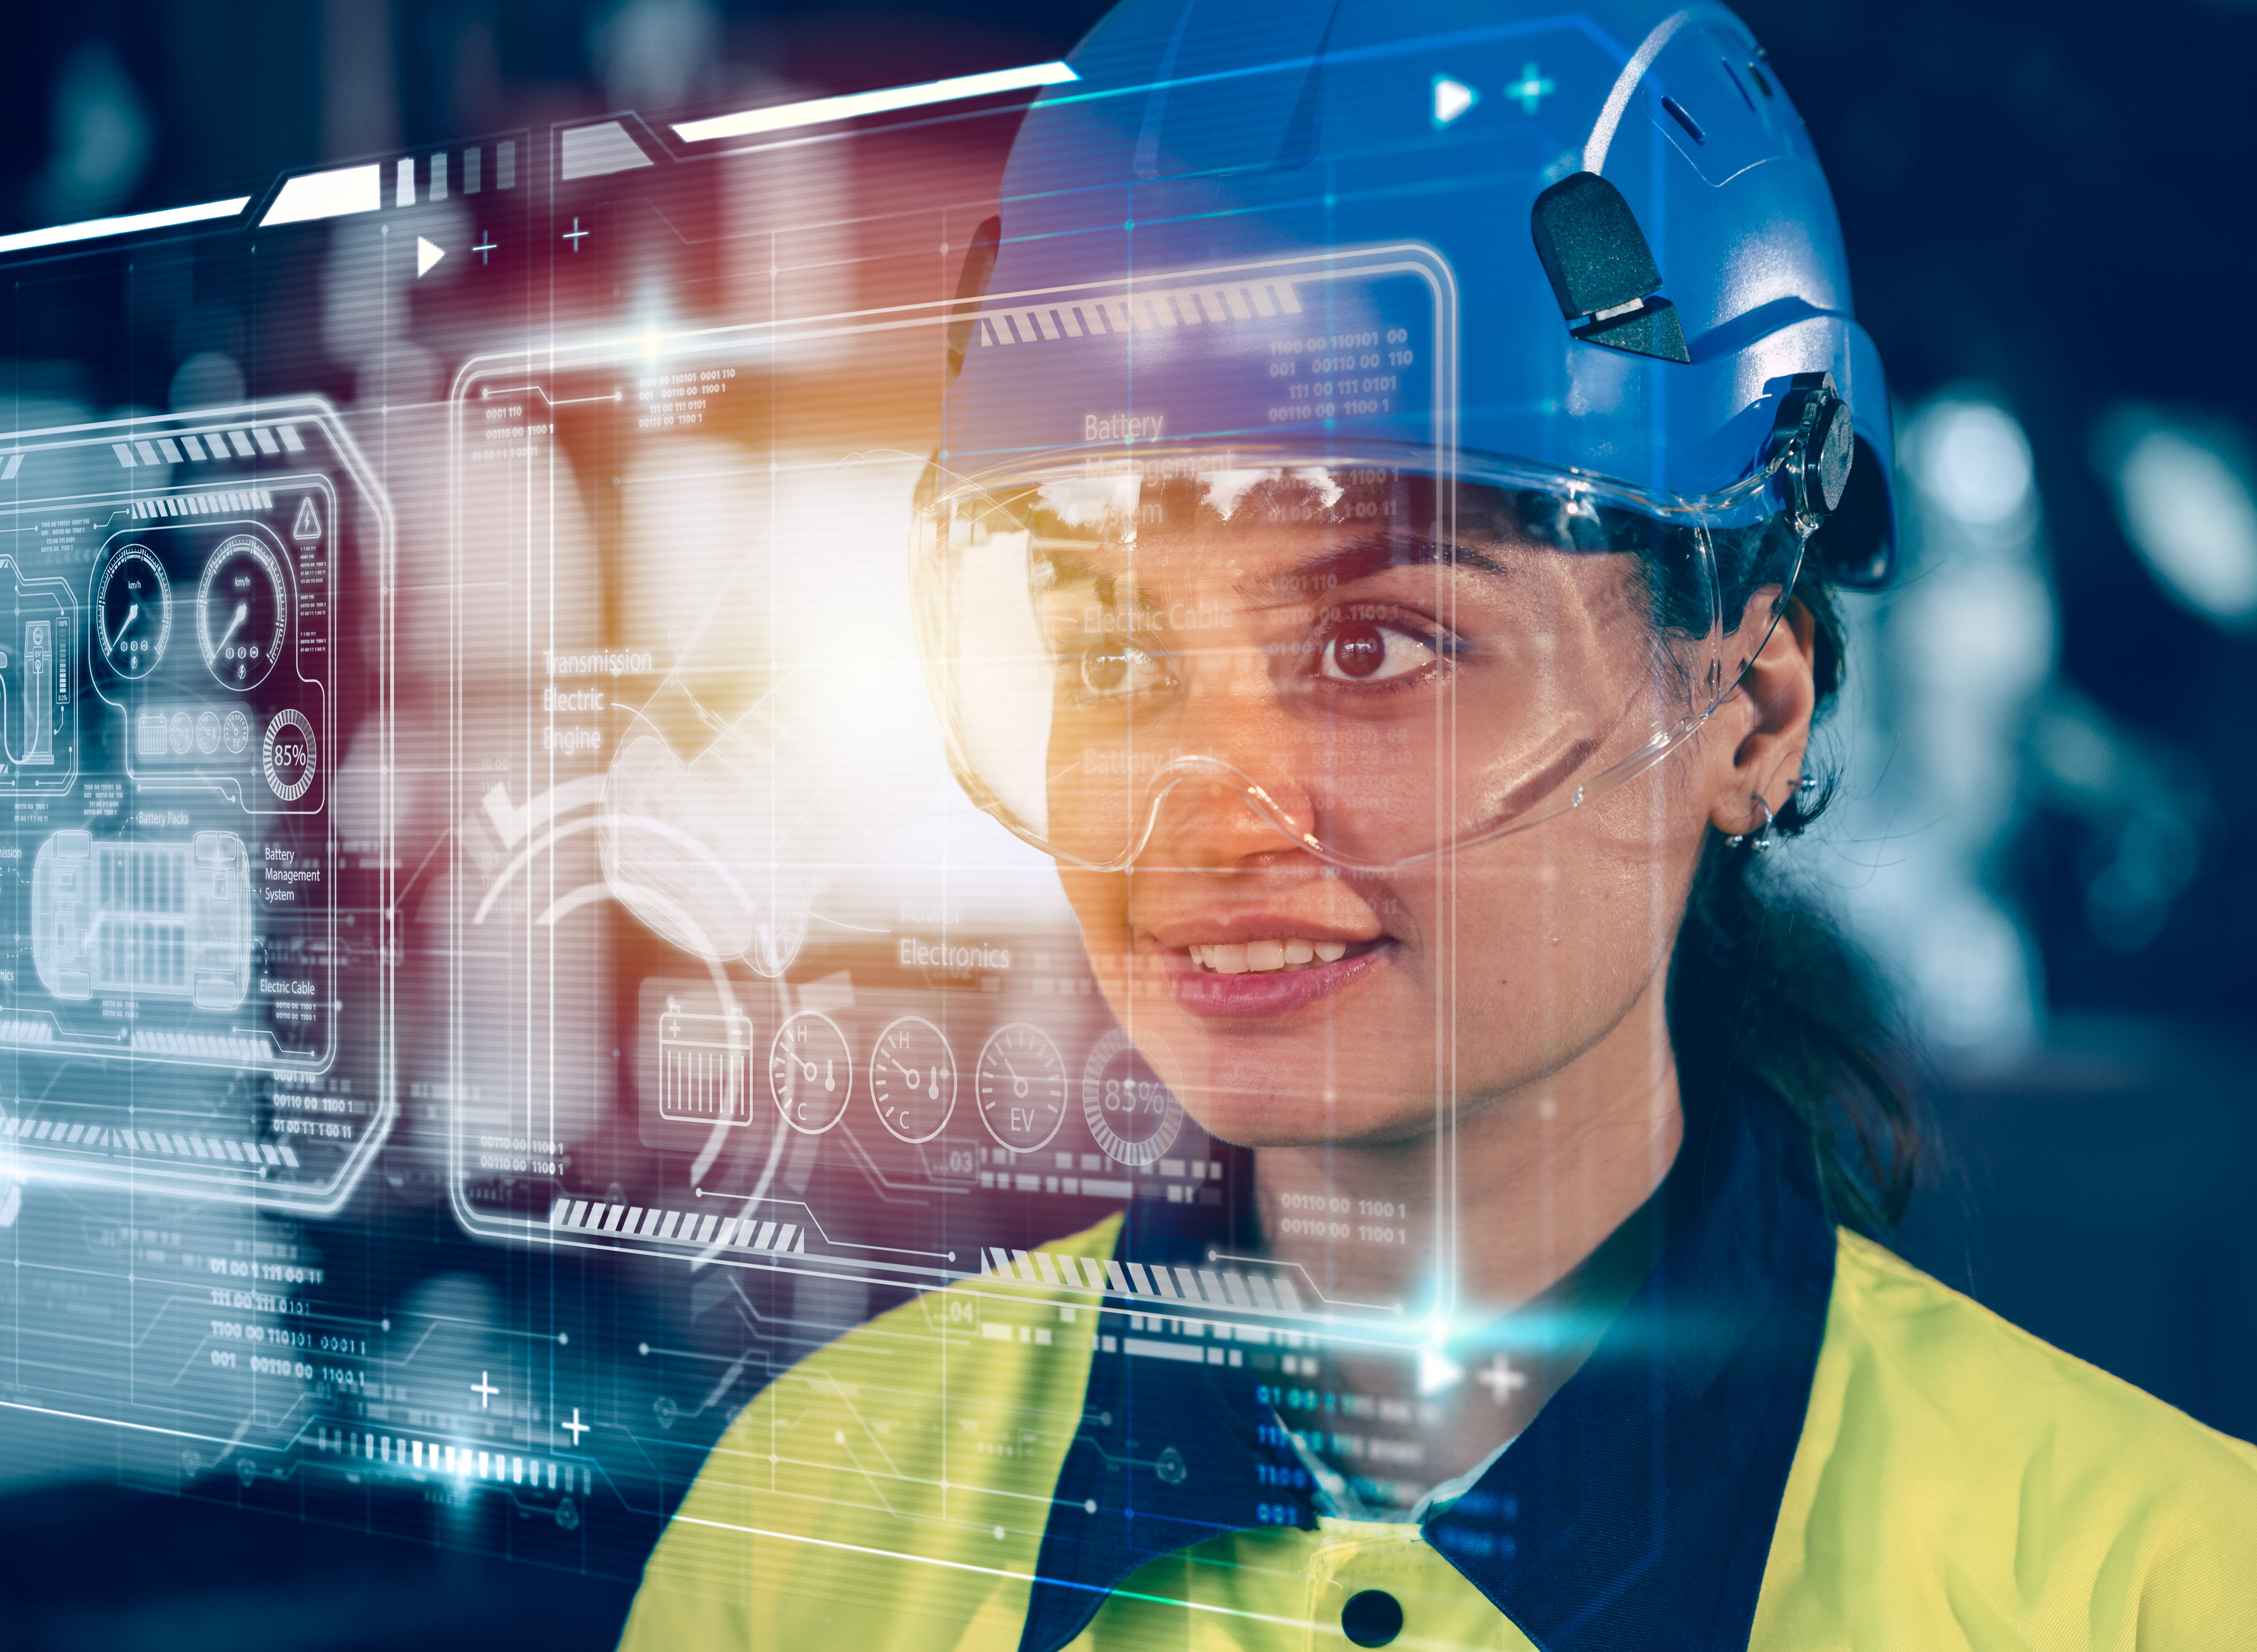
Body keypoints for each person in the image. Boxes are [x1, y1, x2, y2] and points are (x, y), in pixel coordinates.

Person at [621, 0, 2257, 1645]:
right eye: (1115, 654)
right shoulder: (808, 1539)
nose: (1214, 814)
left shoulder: (2149, 1594)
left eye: (1374, 647)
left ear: (1752, 712)